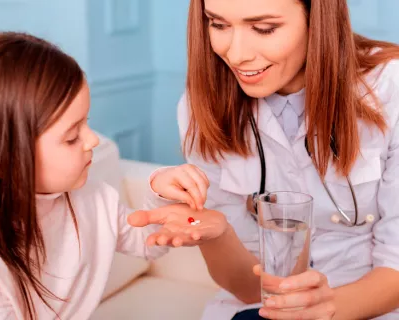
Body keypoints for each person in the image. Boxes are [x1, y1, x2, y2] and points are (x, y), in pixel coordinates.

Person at [0, 32, 229, 319]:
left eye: (86, 123)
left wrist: (161, 193)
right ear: (9, 155)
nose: (93, 140)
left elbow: (148, 243)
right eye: (71, 137)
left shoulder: (90, 199)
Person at [132, 0, 399, 319]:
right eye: (218, 25)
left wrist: (323, 311)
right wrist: (219, 235)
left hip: (368, 304)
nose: (236, 54)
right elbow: (247, 288)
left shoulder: (390, 87)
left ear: (317, 19)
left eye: (264, 28)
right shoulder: (201, 105)